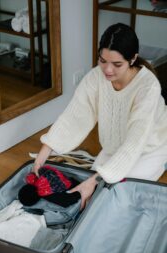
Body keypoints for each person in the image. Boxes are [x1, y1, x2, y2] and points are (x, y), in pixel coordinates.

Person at [33, 23, 167, 209]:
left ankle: (161, 163)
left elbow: (135, 141)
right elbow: (75, 116)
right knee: (89, 194)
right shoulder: (96, 77)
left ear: (133, 59)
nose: (107, 70)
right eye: (102, 60)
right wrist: (44, 153)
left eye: (117, 64)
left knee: (113, 198)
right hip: (114, 148)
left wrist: (96, 179)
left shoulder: (148, 87)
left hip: (148, 150)